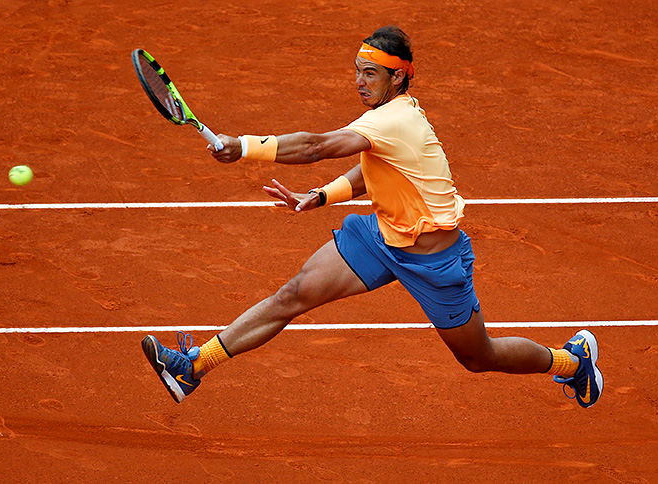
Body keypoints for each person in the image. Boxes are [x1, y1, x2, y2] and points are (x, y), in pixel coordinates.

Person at [141, 26, 603, 408]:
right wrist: (323, 196)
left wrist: (243, 147)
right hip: (381, 238)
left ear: (398, 78)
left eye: (371, 74)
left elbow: (316, 146)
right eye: (357, 71)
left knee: (478, 357)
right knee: (293, 294)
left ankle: (572, 361)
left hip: (433, 261)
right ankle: (192, 368)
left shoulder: (394, 121)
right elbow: (372, 172)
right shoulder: (386, 119)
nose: (359, 82)